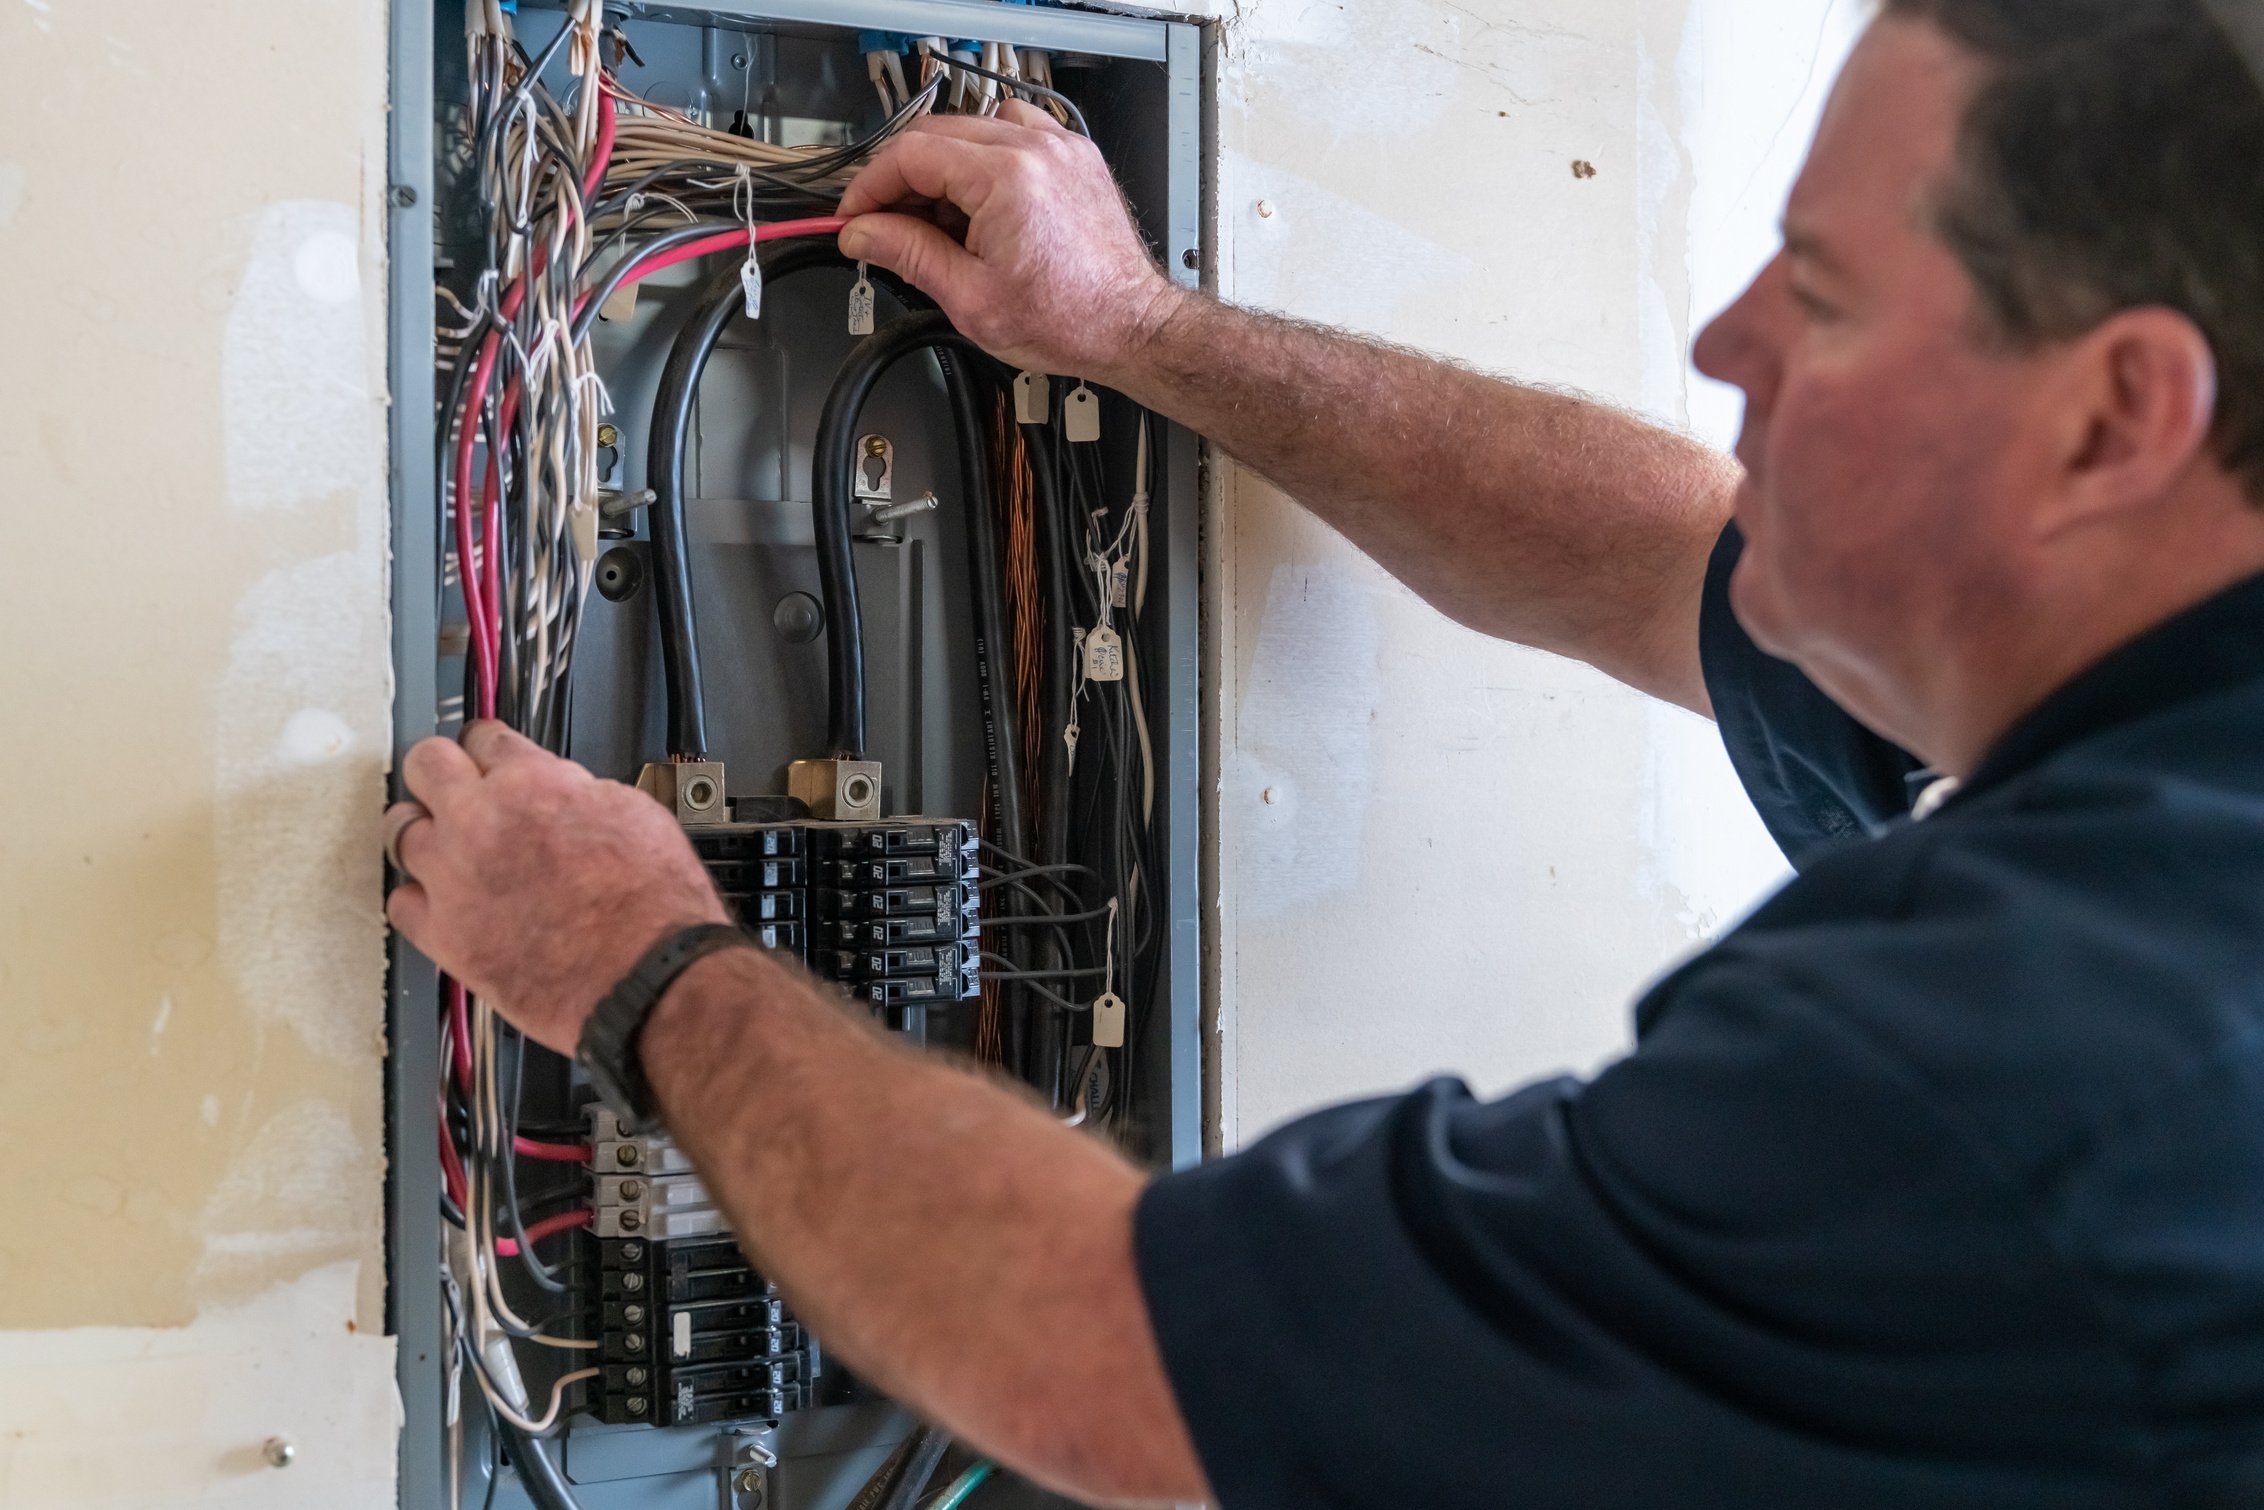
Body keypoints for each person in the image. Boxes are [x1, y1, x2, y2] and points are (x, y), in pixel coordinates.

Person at [383, 2, 2264, 1504]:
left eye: (1826, 295)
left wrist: (636, 963)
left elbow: (1122, 1362)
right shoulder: (2177, 729)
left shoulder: (2037, 1050)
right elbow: (1663, 557)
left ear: (2115, 416)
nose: (1724, 333)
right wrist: (1136, 327)